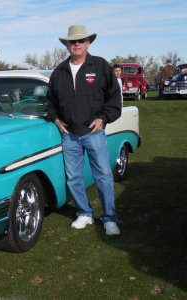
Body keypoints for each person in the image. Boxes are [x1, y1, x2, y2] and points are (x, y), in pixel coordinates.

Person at [46, 24, 122, 235]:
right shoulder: (59, 71)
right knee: (74, 177)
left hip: (94, 133)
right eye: (73, 41)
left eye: (81, 41)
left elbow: (114, 98)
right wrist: (56, 120)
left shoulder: (100, 66)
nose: (77, 44)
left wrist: (103, 119)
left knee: (104, 175)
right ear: (67, 45)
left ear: (88, 43)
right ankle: (85, 213)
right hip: (69, 135)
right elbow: (49, 102)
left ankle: (109, 218)